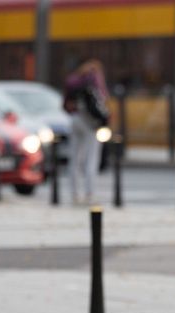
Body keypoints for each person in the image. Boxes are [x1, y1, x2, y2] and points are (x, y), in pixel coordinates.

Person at [63, 59, 109, 205]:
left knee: (75, 159)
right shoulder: (94, 79)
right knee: (91, 158)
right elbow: (102, 100)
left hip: (75, 119)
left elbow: (65, 104)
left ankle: (74, 194)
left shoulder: (73, 81)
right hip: (90, 122)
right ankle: (90, 193)